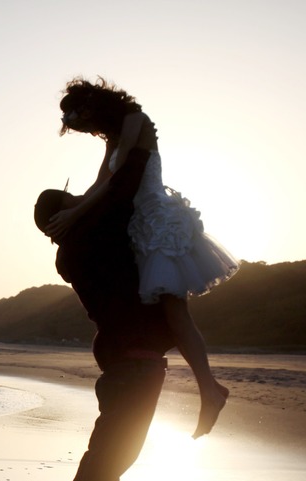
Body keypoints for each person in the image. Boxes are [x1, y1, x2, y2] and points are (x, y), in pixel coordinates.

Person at [46, 78, 239, 438]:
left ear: (92, 106)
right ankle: (210, 389)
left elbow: (120, 178)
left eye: (83, 122)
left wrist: (75, 214)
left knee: (175, 309)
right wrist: (73, 212)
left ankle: (210, 389)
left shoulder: (134, 118)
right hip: (138, 227)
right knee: (169, 311)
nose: (87, 130)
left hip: (157, 221)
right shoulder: (112, 139)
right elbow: (98, 185)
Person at [34, 143, 172, 481]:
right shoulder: (91, 241)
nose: (83, 202)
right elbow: (117, 189)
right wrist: (131, 146)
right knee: (117, 447)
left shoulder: (72, 250)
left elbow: (103, 191)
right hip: (132, 352)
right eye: (73, 202)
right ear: (63, 218)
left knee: (108, 444)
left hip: (122, 349)